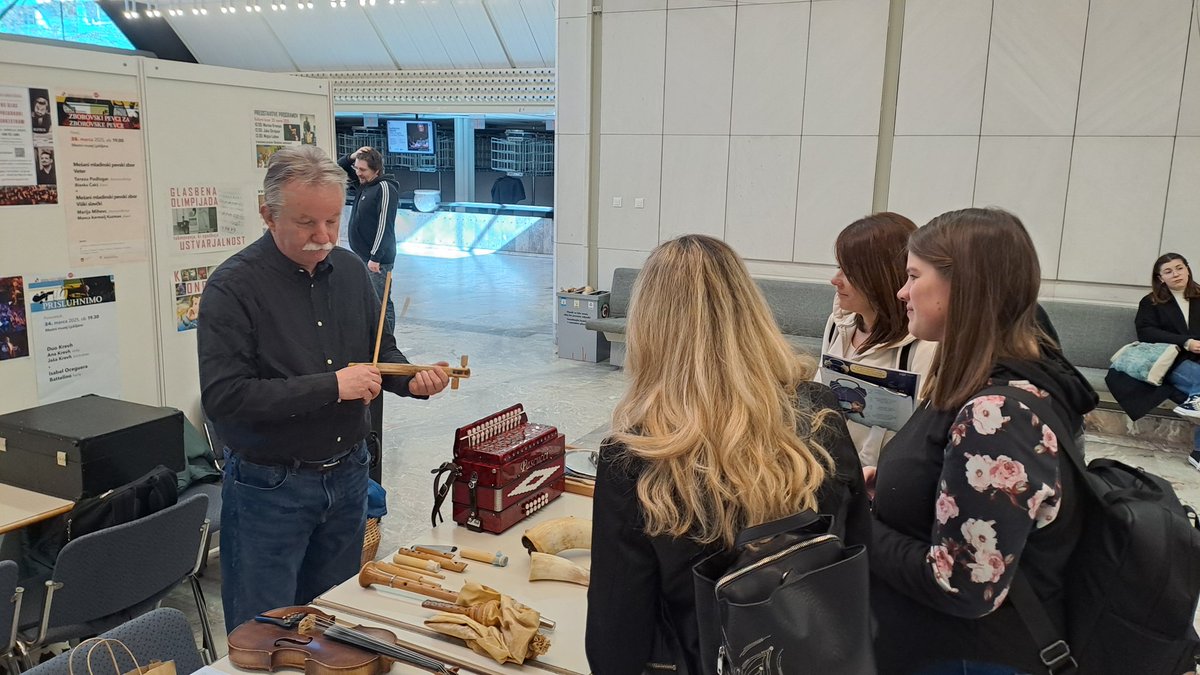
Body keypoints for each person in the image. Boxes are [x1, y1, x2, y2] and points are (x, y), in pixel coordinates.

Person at [585, 234, 870, 674]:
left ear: (649, 327)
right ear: (751, 310)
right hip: (816, 652)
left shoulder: (633, 456)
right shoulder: (819, 411)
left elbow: (615, 636)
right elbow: (855, 554)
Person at [198, 145, 450, 632]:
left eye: (334, 221)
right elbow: (225, 398)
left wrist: (411, 380)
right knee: (264, 632)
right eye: (306, 223)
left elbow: (381, 354)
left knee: (333, 623)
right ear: (267, 215)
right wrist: (332, 387)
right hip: (270, 487)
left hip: (348, 477)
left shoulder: (353, 271)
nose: (324, 237)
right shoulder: (233, 288)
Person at [868, 208, 1097, 674]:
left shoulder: (997, 412)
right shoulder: (990, 382)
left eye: (913, 276)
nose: (902, 292)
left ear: (964, 287)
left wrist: (856, 521)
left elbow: (963, 585)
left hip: (969, 656)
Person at [818, 212, 936, 466]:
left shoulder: (924, 346)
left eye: (848, 271)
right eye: (838, 266)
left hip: (877, 483)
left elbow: (919, 438)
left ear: (880, 277)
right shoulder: (838, 324)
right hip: (826, 470)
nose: (835, 280)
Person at [1108, 253, 1200, 466]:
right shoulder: (1151, 302)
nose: (1175, 274)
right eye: (1168, 271)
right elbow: (1146, 333)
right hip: (1172, 360)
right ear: (1160, 278)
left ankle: (1196, 406)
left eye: (1179, 268)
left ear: (1188, 269)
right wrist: (1186, 342)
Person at [338, 146, 399, 334]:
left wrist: (376, 256)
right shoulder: (363, 185)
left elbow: (385, 224)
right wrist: (352, 156)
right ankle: (374, 338)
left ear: (377, 171)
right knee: (368, 300)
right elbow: (338, 169)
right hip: (362, 255)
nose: (358, 173)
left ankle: (386, 342)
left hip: (377, 260)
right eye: (356, 168)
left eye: (362, 170)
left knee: (380, 302)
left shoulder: (384, 187)